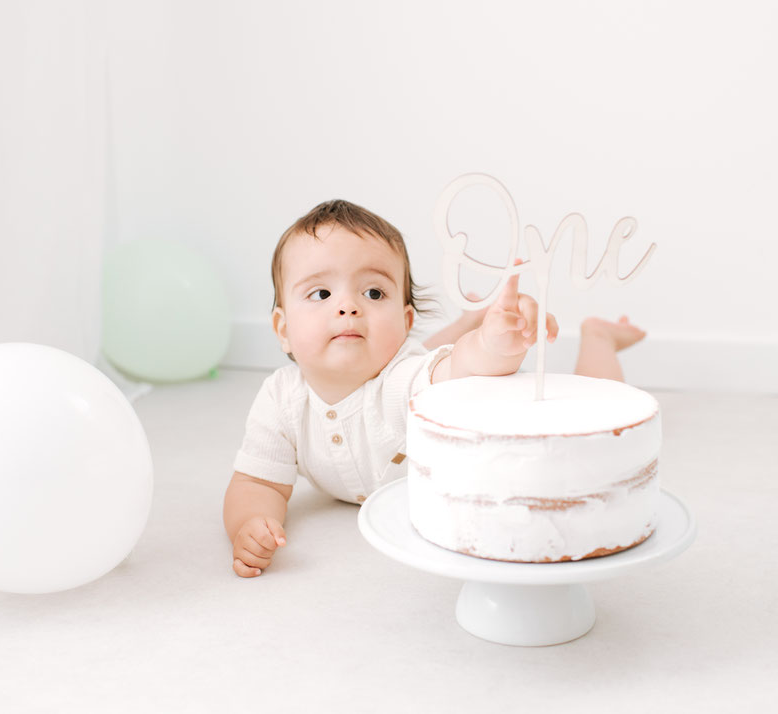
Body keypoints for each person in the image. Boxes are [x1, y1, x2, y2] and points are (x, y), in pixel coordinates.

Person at [222, 200, 645, 577]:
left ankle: (598, 338)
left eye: (373, 292)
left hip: (451, 393)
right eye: (321, 293)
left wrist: (494, 343)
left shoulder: (403, 383)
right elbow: (258, 484)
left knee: (593, 398)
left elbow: (463, 366)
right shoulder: (280, 399)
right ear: (283, 330)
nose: (347, 306)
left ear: (406, 322)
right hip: (413, 355)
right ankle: (468, 317)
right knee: (429, 351)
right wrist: (249, 524)